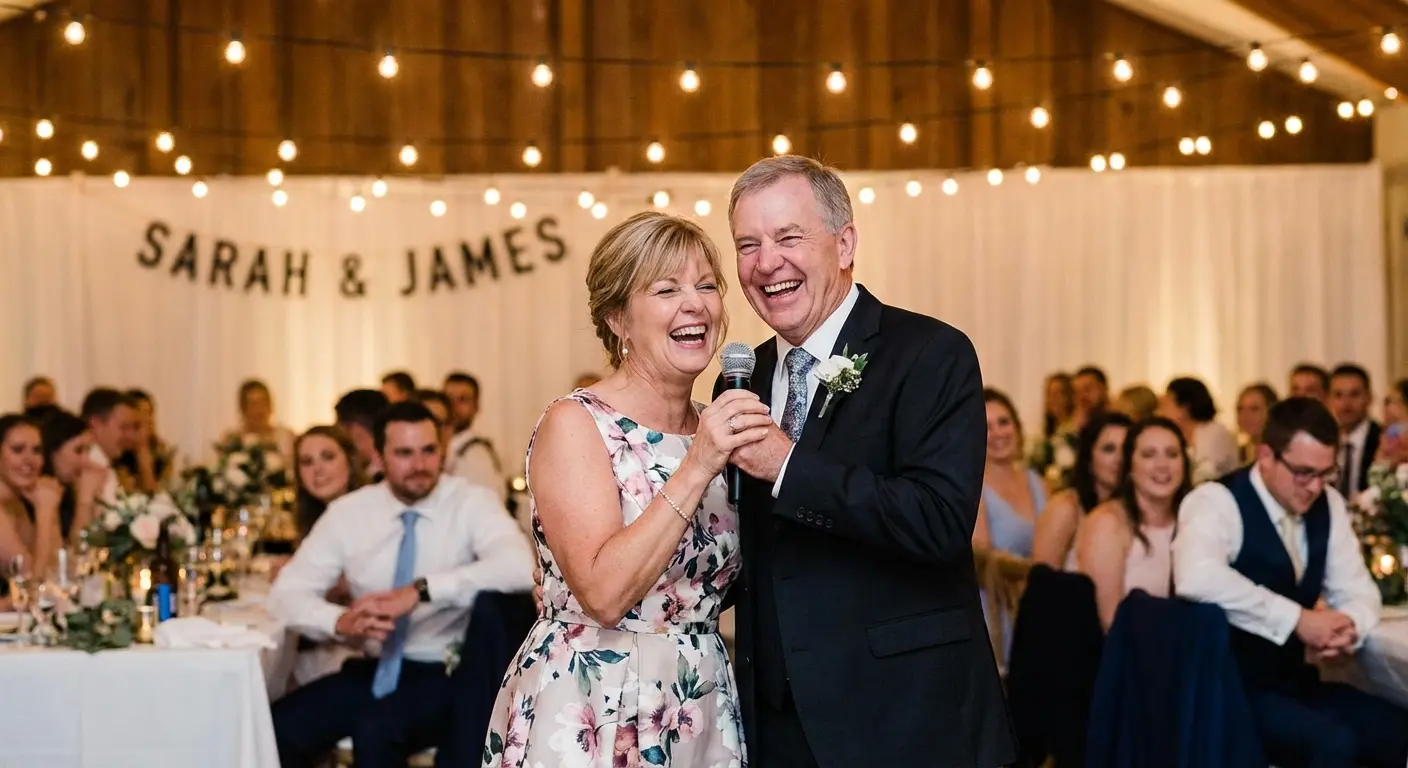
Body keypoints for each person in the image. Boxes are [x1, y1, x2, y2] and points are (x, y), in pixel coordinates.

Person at [723, 156, 1015, 766]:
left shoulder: (930, 354)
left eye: (788, 237)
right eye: (748, 245)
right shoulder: (743, 380)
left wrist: (787, 466)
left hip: (904, 718)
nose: (766, 263)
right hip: (778, 725)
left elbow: (938, 522)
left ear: (845, 243)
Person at [482, 211, 759, 767]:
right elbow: (605, 596)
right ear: (617, 319)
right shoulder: (577, 423)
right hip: (597, 697)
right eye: (667, 289)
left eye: (707, 286)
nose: (695, 304)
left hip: (697, 697)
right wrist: (698, 465)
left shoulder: (716, 428)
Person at [268, 401, 533, 766]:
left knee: (376, 731)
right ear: (378, 457)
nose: (419, 465)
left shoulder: (470, 502)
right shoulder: (349, 513)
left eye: (429, 451)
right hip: (373, 667)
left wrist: (421, 590)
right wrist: (338, 621)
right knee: (275, 729)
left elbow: (520, 566)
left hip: (445, 672)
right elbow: (285, 595)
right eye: (404, 453)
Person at [1174, 397, 1408, 767]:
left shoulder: (1328, 504)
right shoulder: (1215, 500)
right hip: (1227, 689)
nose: (1315, 486)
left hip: (1295, 681)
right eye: (1303, 472)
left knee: (1395, 728)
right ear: (1266, 456)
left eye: (1326, 473)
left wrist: (1349, 626)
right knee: (1335, 745)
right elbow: (1195, 577)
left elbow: (1358, 590)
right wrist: (1298, 619)